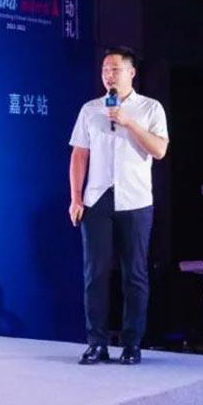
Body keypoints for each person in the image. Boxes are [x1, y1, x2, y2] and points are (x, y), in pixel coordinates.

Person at [69, 47, 169, 366]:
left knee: (134, 274)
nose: (108, 75)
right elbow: (79, 154)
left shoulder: (150, 108)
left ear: (131, 72)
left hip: (136, 200)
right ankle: (96, 343)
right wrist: (75, 197)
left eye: (114, 69)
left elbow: (159, 150)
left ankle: (132, 343)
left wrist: (129, 123)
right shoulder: (90, 110)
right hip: (97, 199)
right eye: (104, 70)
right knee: (95, 274)